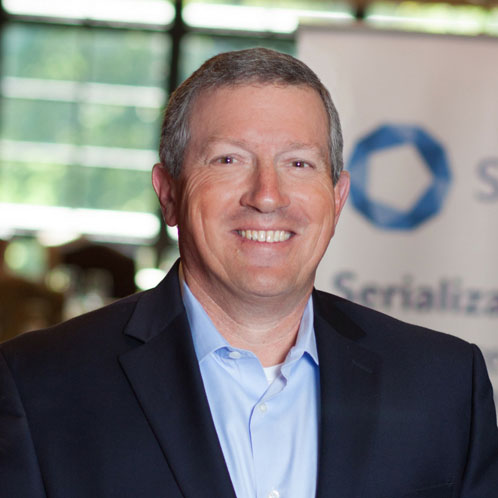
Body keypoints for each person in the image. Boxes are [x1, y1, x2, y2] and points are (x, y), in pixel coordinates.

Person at [1, 48, 497, 498]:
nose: (266, 196)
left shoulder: (446, 385)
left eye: (298, 163)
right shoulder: (38, 384)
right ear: (169, 193)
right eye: (228, 159)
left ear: (338, 198)